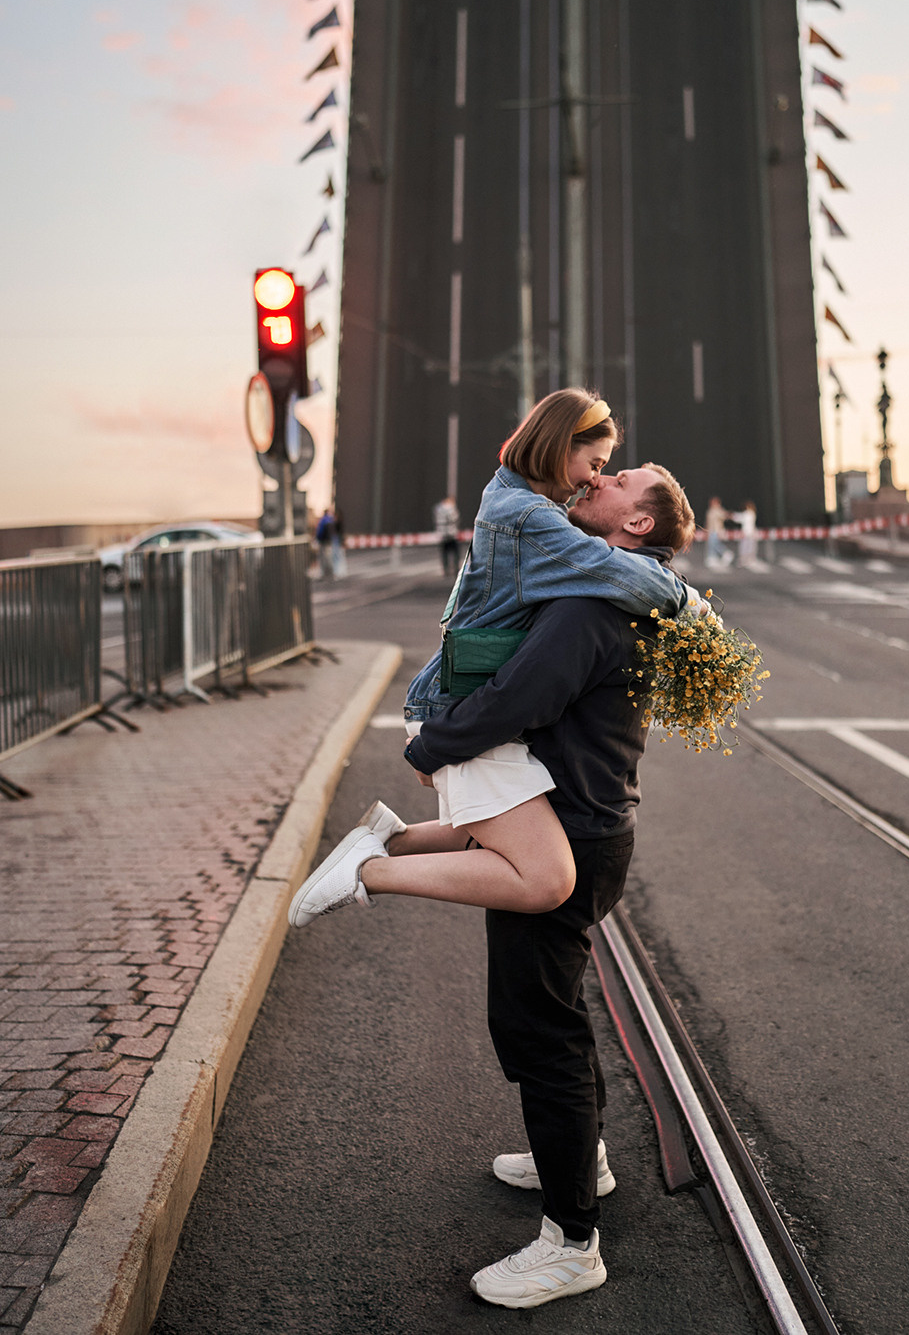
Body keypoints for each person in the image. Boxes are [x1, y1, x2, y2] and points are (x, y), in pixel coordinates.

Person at [317, 461, 699, 1308]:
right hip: (584, 828)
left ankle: (571, 1244)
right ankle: (583, 1157)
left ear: (635, 526)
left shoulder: (594, 605)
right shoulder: (634, 591)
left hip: (570, 836)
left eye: (621, 480)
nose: (601, 477)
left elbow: (516, 698)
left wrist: (428, 748)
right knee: (548, 1015)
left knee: (543, 1033)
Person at [289, 389, 695, 928]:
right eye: (595, 464)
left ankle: (388, 837)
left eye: (607, 471)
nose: (595, 478)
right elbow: (615, 571)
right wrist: (690, 602)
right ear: (558, 446)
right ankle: (367, 873)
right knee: (545, 878)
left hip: (453, 696)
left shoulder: (516, 498)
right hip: (455, 703)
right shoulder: (529, 518)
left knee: (485, 826)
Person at [704, 495, 733, 571]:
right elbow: (708, 522)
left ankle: (726, 553)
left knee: (715, 545)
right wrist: (706, 530)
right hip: (711, 531)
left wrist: (730, 515)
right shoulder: (710, 510)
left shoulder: (718, 509)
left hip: (716, 531)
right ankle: (712, 558)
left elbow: (724, 515)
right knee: (711, 545)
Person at [433, 495, 460, 577]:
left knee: (444, 553)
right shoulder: (450, 509)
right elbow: (455, 518)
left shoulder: (438, 509)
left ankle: (446, 569)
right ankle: (455, 569)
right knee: (455, 553)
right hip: (451, 534)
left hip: (442, 535)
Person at [733, 499, 758, 565]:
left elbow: (739, 518)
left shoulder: (747, 513)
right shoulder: (752, 513)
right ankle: (750, 559)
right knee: (750, 546)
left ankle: (744, 560)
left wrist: (732, 515)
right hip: (751, 532)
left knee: (744, 547)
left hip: (746, 532)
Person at [314, 508, 335, 580]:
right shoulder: (331, 520)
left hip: (323, 542)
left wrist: (318, 539)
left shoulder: (323, 520)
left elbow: (320, 532)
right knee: (329, 557)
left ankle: (325, 574)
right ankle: (331, 573)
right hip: (329, 541)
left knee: (324, 558)